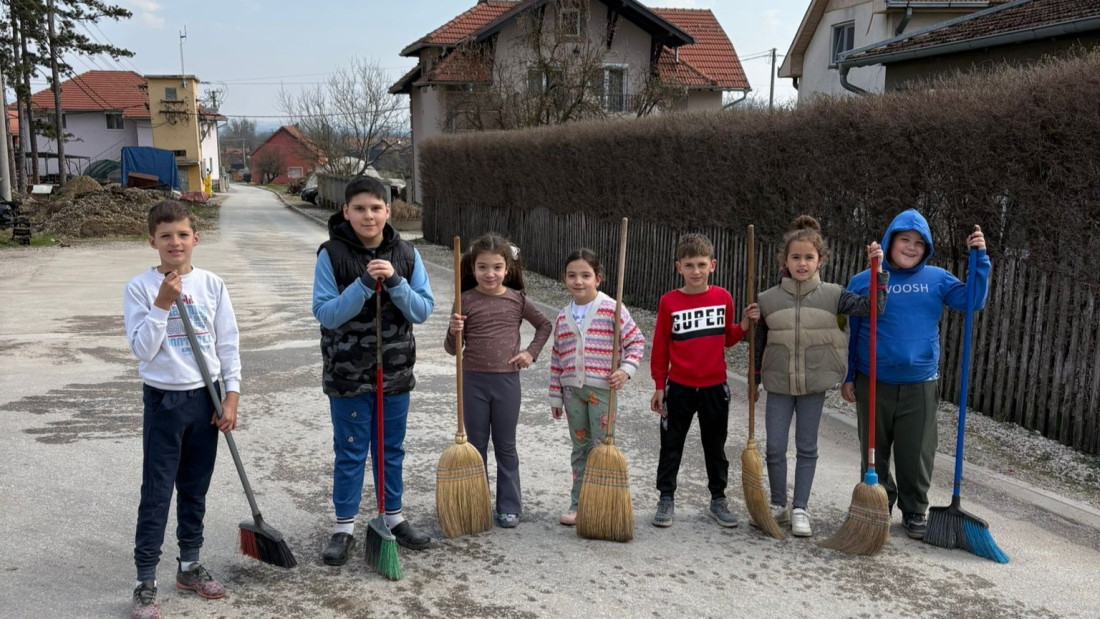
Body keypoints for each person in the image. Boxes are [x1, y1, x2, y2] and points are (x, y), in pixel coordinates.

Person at [123, 200, 241, 619]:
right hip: (163, 399)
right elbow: (141, 348)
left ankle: (189, 564)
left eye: (183, 234)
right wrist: (161, 304)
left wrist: (230, 396)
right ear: (151, 240)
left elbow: (227, 344)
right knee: (156, 492)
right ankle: (145, 580)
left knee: (195, 486)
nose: (175, 242)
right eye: (166, 235)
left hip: (205, 398)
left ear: (196, 238)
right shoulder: (140, 288)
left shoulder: (212, 285)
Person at [842, 209, 988, 540]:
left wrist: (980, 259)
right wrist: (850, 376)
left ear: (927, 248)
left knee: (917, 451)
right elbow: (854, 332)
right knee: (873, 451)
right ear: (891, 241)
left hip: (920, 383)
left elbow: (972, 301)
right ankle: (878, 503)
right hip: (873, 380)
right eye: (904, 240)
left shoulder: (937, 279)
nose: (910, 247)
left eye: (919, 243)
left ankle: (914, 509)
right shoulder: (864, 281)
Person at [312, 176, 435, 565]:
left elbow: (422, 310)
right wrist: (364, 284)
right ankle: (344, 527)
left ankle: (393, 517)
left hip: (395, 374)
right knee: (350, 452)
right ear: (345, 211)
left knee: (390, 450)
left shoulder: (407, 254)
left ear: (388, 211)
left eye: (376, 208)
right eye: (360, 208)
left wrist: (396, 281)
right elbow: (327, 314)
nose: (369, 215)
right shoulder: (330, 255)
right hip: (347, 376)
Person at [752, 215, 887, 537]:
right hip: (779, 384)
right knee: (774, 447)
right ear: (785, 260)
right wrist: (754, 380)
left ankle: (801, 508)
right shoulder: (767, 300)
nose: (802, 263)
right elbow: (758, 343)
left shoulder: (835, 295)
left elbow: (874, 308)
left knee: (806, 447)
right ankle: (778, 505)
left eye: (808, 257)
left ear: (820, 260)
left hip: (814, 384)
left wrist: (878, 272)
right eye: (795, 257)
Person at [648, 233, 759, 528]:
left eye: (700, 264)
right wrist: (660, 385)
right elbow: (660, 347)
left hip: (715, 387)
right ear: (678, 267)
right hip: (679, 387)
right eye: (689, 265)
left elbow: (729, 338)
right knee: (671, 443)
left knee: (715, 444)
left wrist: (744, 325)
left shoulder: (723, 297)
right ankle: (666, 497)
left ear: (713, 265)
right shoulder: (669, 302)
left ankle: (718, 498)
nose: (695, 271)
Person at [445, 234, 552, 528]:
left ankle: (509, 506)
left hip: (506, 382)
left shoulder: (517, 300)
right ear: (472, 269)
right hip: (472, 381)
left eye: (496, 267)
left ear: (507, 268)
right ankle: (475, 504)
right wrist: (454, 329)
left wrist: (530, 353)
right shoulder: (464, 300)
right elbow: (452, 349)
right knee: (476, 445)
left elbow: (545, 324)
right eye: (482, 267)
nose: (489, 274)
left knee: (505, 445)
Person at [549, 248, 646, 526]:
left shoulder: (612, 309)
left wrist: (625, 370)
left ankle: (602, 503)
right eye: (572, 275)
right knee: (580, 448)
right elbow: (557, 357)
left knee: (602, 446)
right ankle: (578, 503)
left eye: (585, 275)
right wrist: (555, 395)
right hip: (572, 392)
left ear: (598, 278)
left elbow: (636, 342)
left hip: (602, 389)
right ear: (565, 279)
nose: (578, 281)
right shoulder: (562, 316)